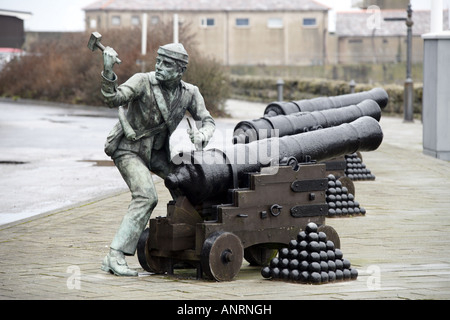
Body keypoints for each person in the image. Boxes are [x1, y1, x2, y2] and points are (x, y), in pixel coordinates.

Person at [99, 43, 215, 276]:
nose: (160, 67)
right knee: (146, 195)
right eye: (159, 61)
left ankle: (185, 245)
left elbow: (207, 120)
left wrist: (202, 134)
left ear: (180, 70)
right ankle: (115, 254)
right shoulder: (142, 81)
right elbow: (113, 99)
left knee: (187, 184)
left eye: (167, 64)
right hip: (128, 148)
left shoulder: (190, 92)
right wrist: (108, 71)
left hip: (157, 153)